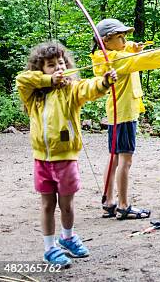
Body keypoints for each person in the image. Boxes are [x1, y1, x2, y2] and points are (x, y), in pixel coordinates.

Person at [16, 41, 117, 266]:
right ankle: (50, 248)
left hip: (66, 159)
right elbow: (21, 79)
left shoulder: (71, 90)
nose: (58, 68)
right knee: (47, 204)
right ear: (40, 70)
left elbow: (88, 88)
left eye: (61, 63)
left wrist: (104, 82)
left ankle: (68, 236)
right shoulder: (34, 96)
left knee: (67, 204)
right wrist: (48, 81)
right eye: (51, 65)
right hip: (41, 160)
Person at [91, 18, 160, 219]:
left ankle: (109, 201)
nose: (125, 40)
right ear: (106, 40)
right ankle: (123, 206)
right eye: (120, 37)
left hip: (119, 113)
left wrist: (133, 46)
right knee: (125, 160)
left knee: (115, 158)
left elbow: (128, 54)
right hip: (123, 114)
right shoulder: (113, 60)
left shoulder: (108, 55)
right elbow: (135, 61)